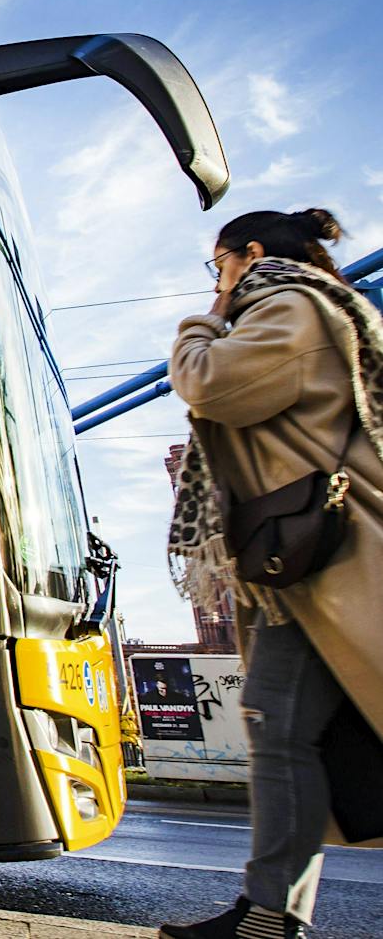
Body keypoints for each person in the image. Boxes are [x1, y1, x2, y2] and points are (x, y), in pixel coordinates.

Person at [160, 209, 383, 939]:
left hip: (326, 560)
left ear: (248, 254)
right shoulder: (314, 306)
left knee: (279, 729)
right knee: (281, 728)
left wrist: (202, 323)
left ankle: (269, 913)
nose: (215, 281)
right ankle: (268, 912)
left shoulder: (290, 306)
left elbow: (210, 383)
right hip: (303, 566)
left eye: (218, 265)